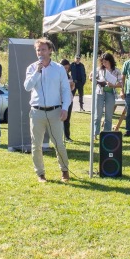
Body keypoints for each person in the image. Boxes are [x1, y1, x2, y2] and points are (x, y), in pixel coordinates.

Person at [23, 38, 71, 183]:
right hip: (37, 112)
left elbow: (66, 90)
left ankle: (64, 171)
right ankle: (40, 174)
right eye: (38, 50)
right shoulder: (32, 68)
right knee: (36, 144)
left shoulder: (59, 68)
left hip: (55, 111)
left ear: (50, 51)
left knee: (58, 143)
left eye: (43, 49)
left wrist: (64, 108)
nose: (41, 53)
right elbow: (27, 86)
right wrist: (38, 71)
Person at [91, 53, 122, 137]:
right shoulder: (99, 69)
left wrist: (113, 85)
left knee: (108, 115)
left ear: (110, 61)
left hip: (111, 93)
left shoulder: (117, 71)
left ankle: (106, 133)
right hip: (99, 92)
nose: (104, 64)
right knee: (98, 114)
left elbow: (121, 84)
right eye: (103, 62)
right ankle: (95, 133)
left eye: (106, 62)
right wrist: (94, 79)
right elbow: (91, 78)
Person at [60, 59, 75, 141]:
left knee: (67, 119)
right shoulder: (57, 75)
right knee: (59, 119)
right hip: (60, 100)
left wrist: (72, 85)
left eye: (67, 68)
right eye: (64, 68)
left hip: (69, 99)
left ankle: (67, 136)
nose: (66, 70)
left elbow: (72, 88)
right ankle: (59, 137)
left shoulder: (69, 76)